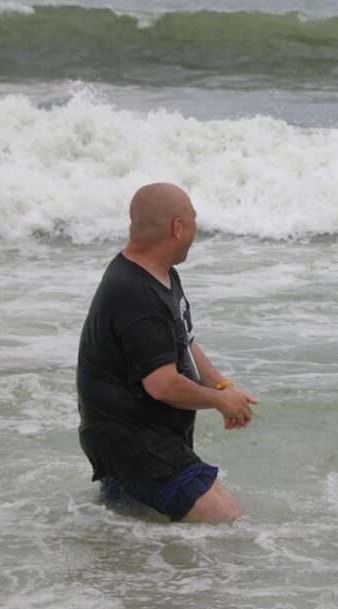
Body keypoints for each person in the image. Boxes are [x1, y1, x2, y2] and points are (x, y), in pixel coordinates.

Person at [77, 183, 258, 524]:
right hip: (135, 443)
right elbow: (162, 385)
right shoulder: (134, 292)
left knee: (131, 534)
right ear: (177, 227)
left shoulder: (160, 273)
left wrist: (222, 387)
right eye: (192, 220)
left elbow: (184, 342)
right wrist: (219, 402)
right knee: (233, 527)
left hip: (130, 439)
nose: (195, 230)